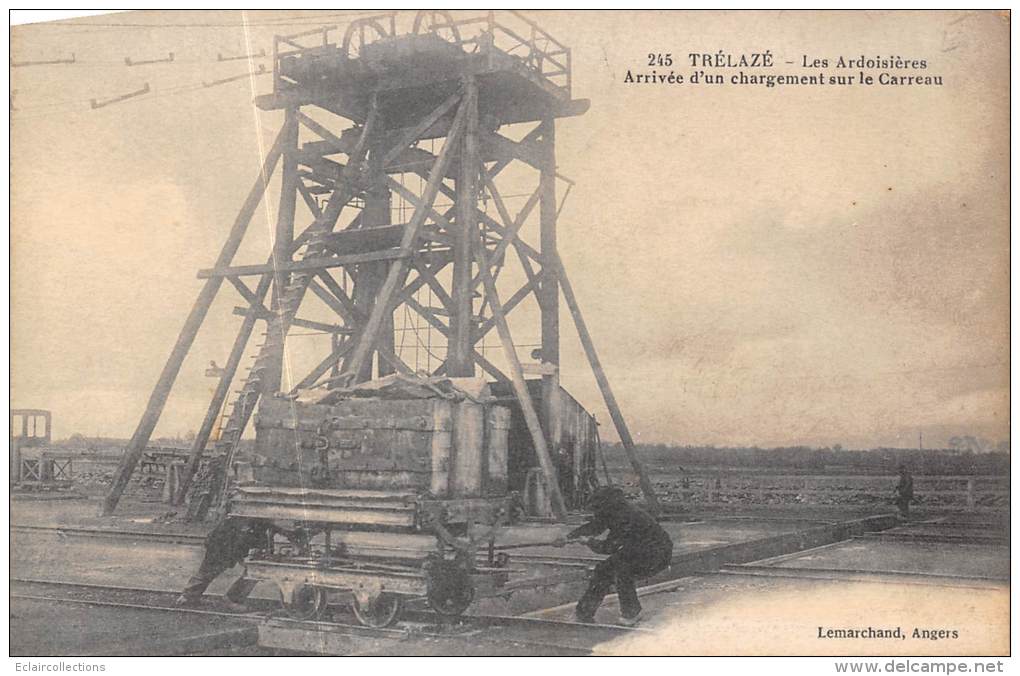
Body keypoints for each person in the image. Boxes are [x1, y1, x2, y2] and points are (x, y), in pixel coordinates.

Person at [557, 486, 673, 626]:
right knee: (603, 570)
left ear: (607, 506)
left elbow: (609, 547)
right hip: (636, 550)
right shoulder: (614, 511)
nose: (596, 512)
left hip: (657, 553)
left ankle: (632, 612)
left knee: (623, 571)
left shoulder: (626, 517)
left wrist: (589, 542)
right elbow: (596, 526)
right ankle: (584, 612)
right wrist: (568, 537)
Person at [175, 516, 274, 611]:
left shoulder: (253, 520)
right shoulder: (244, 521)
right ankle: (189, 597)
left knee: (255, 569)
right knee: (212, 568)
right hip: (227, 540)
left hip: (238, 537)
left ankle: (190, 596)